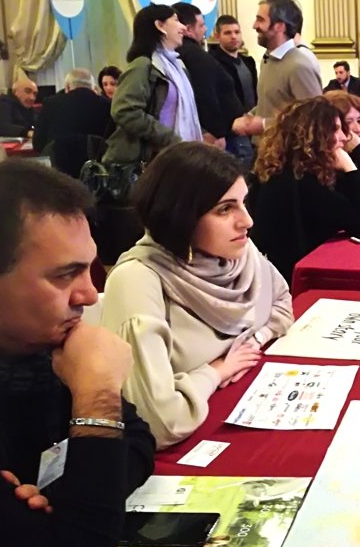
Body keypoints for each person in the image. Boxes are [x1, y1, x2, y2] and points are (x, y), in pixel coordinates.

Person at [0, 160, 155, 547]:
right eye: (65, 275)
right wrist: (97, 399)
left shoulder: (37, 347)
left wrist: (60, 498)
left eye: (89, 268)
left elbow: (138, 441)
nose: (89, 294)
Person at [101, 142, 295, 449]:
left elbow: (282, 304)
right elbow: (159, 423)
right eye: (225, 209)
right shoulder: (138, 280)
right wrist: (216, 371)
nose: (247, 221)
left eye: (243, 202)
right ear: (182, 216)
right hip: (180, 449)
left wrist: (251, 343)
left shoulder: (237, 252)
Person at [250, 97, 360, 280]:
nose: (344, 137)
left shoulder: (293, 168)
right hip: (296, 277)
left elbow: (350, 206)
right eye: (336, 129)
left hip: (287, 268)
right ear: (317, 135)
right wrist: (350, 167)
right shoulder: (302, 179)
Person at [103, 4, 202, 168]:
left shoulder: (177, 67)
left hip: (174, 155)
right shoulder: (143, 66)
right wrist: (167, 137)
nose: (183, 27)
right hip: (149, 160)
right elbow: (125, 111)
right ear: (160, 26)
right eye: (176, 20)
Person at [232, 0, 322, 136]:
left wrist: (263, 125)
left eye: (260, 20)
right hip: (266, 146)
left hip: (288, 149)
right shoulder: (268, 59)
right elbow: (271, 104)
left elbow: (312, 119)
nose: (254, 25)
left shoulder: (299, 66)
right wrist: (249, 118)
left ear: (279, 26)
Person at [172, 2, 242, 149]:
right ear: (188, 29)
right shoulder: (195, 55)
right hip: (219, 136)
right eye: (201, 25)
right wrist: (217, 133)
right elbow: (205, 94)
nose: (205, 29)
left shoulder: (178, 52)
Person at [209, 14, 258, 166]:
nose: (234, 37)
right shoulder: (212, 62)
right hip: (230, 128)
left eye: (237, 32)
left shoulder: (248, 62)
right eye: (228, 33)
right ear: (217, 36)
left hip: (252, 123)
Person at [32, 68, 111, 156]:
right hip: (97, 161)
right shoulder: (107, 105)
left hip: (59, 161)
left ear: (67, 87)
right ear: (93, 87)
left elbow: (38, 144)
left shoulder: (51, 104)